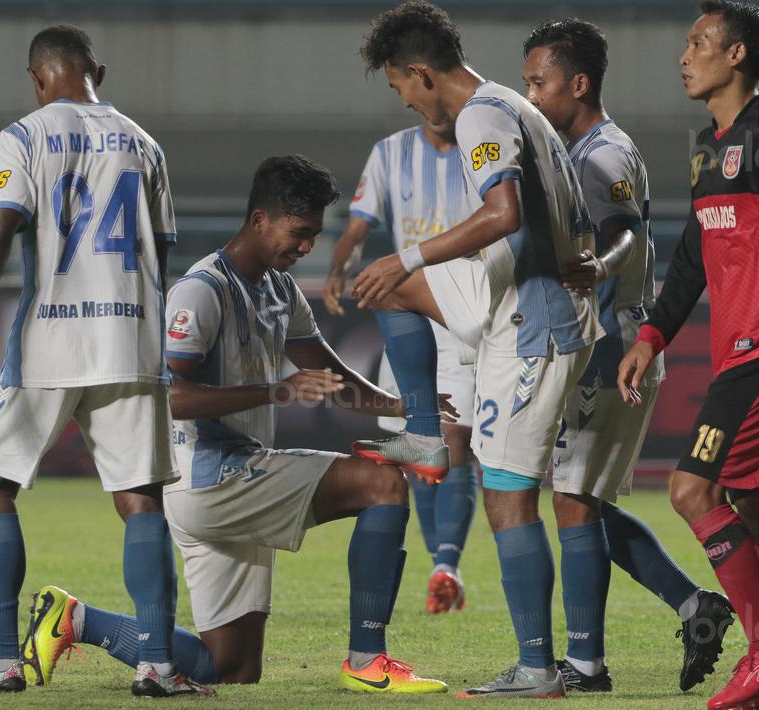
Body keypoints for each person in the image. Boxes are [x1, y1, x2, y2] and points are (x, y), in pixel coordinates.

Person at [22, 156, 451, 694]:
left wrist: (405, 407)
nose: (305, 247)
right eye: (298, 233)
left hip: (233, 480)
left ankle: (74, 619)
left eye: (314, 235)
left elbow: (328, 375)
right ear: (259, 220)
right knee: (383, 483)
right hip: (210, 478)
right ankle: (368, 660)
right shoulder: (201, 291)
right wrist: (278, 391)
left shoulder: (279, 289)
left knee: (230, 669)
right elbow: (171, 397)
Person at [0, 25, 201, 697]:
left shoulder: (24, 135)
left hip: (49, 340)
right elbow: (159, 255)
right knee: (141, 500)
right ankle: (158, 665)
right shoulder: (145, 144)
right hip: (132, 339)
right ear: (96, 70)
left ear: (36, 77)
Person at [357, 1, 600, 698]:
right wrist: (408, 264)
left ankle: (536, 669)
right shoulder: (506, 105)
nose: (403, 101)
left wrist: (412, 249)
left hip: (533, 326)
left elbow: (504, 214)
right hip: (513, 297)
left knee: (507, 499)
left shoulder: (481, 116)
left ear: (419, 72)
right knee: (394, 285)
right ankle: (427, 436)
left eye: (398, 86)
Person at [618, 2, 759, 708]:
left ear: (735, 55)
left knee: (691, 491)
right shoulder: (711, 146)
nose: (684, 56)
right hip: (742, 352)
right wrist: (651, 335)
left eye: (699, 43)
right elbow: (690, 256)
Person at [522, 18, 735, 694]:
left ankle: (584, 665)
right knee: (580, 498)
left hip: (609, 346)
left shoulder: (599, 155)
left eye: (538, 81)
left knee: (573, 499)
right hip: (609, 343)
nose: (529, 96)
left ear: (577, 83)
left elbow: (622, 234)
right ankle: (691, 603)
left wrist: (594, 264)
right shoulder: (581, 148)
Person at [323, 117, 478, 615]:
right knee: (417, 447)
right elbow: (358, 225)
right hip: (407, 313)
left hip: (466, 312)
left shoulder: (483, 146)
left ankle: (447, 562)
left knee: (454, 439)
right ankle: (442, 564)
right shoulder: (390, 152)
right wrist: (338, 267)